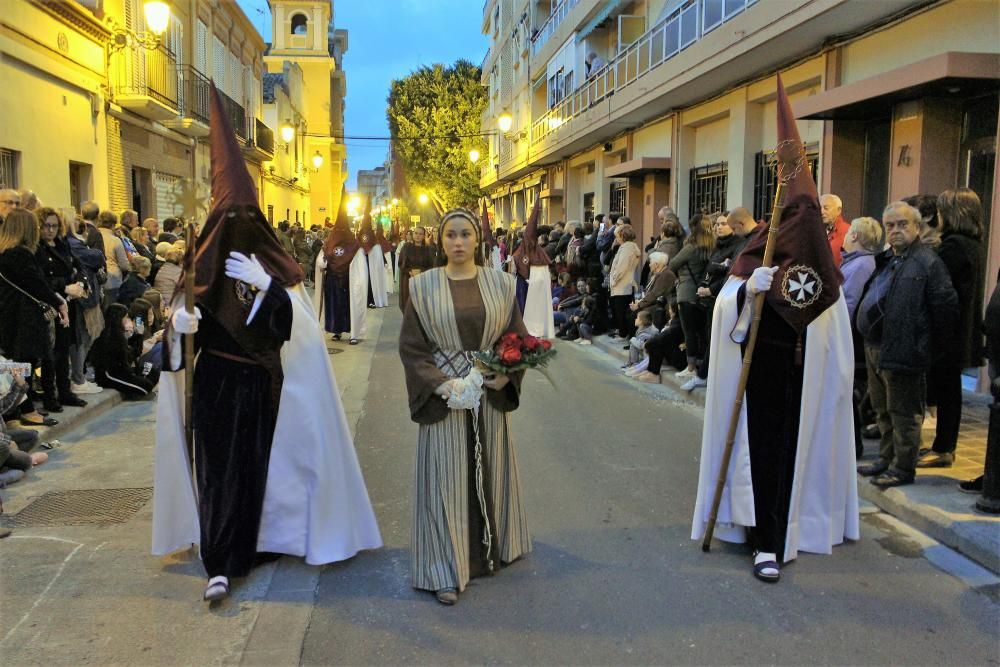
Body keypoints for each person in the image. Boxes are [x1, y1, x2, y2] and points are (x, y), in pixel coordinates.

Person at [153, 86, 381, 602]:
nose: (237, 230)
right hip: (214, 381)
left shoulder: (277, 270)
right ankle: (219, 560)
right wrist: (181, 325)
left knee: (257, 471)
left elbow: (296, 328)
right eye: (228, 222)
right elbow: (173, 337)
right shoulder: (199, 268)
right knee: (217, 471)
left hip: (262, 384)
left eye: (246, 222)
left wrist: (268, 290)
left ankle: (254, 543)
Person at [692, 77, 859, 582]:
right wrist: (747, 291)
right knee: (760, 455)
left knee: (796, 454)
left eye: (813, 215)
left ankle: (796, 526)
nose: (803, 223)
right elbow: (724, 311)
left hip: (805, 380)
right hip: (760, 374)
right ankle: (763, 538)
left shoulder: (824, 274)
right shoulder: (754, 252)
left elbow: (836, 334)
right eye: (795, 213)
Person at [398, 207, 532, 605]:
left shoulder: (501, 284)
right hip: (446, 397)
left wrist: (507, 374)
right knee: (445, 476)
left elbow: (516, 338)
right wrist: (442, 385)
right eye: (451, 235)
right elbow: (412, 348)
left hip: (487, 392)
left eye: (465, 235)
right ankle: (442, 566)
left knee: (491, 467)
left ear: (478, 240)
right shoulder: (422, 289)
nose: (458, 242)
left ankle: (496, 546)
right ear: (441, 241)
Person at [856, 201, 959, 487]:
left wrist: (926, 348)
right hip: (877, 347)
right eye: (890, 225)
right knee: (883, 411)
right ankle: (886, 459)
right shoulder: (891, 258)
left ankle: (903, 468)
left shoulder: (927, 262)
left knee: (904, 414)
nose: (896, 230)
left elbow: (946, 308)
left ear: (916, 227)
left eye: (903, 224)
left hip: (905, 349)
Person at [917, 188, 986, 469]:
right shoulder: (973, 244)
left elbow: (939, 290)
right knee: (949, 390)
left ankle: (944, 447)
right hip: (960, 331)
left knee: (946, 391)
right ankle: (943, 446)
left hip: (947, 334)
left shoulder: (953, 246)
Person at [0, 209, 68, 426]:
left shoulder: (4, 252)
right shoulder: (20, 254)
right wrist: (59, 302)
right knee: (23, 363)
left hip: (9, 314)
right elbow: (37, 283)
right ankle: (22, 410)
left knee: (15, 363)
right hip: (23, 317)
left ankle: (18, 410)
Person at [35, 207, 88, 410]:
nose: (50, 230)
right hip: (50, 303)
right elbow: (40, 279)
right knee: (50, 353)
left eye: (54, 226)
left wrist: (81, 284)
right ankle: (50, 396)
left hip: (69, 302)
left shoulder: (62, 244)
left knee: (64, 349)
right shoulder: (37, 248)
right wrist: (64, 286)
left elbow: (78, 265)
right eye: (46, 226)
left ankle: (65, 392)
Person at [314, 192, 368, 345]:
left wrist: (358, 280)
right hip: (332, 282)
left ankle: (353, 333)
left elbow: (359, 267)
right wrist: (324, 261)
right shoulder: (328, 245)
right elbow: (320, 262)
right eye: (338, 231)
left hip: (349, 282)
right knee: (335, 307)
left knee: (351, 307)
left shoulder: (354, 246)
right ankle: (336, 331)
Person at [669, 214, 713, 377]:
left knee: (689, 332)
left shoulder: (691, 247)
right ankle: (702, 364)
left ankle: (691, 367)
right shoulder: (711, 248)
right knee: (701, 331)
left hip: (686, 292)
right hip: (703, 295)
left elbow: (673, 264)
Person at [89, 303, 154, 399]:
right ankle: (133, 392)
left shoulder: (120, 334)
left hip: (122, 371)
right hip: (110, 375)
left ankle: (134, 389)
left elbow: (131, 355)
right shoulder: (110, 337)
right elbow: (126, 361)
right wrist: (135, 377)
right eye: (126, 317)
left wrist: (138, 335)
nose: (128, 320)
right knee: (146, 386)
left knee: (153, 371)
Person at [511, 199, 555, 337]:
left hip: (530, 286)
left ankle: (534, 329)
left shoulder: (536, 253)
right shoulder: (522, 250)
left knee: (534, 308)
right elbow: (514, 267)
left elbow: (542, 274)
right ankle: (525, 329)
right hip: (522, 284)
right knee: (523, 307)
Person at [608, 224, 641, 341]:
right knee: (622, 310)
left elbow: (621, 267)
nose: (616, 239)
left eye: (617, 236)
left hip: (622, 284)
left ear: (623, 236)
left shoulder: (627, 248)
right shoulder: (629, 247)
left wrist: (613, 280)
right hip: (625, 283)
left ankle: (623, 333)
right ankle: (624, 333)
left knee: (621, 310)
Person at [97, 210, 130, 305]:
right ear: (114, 224)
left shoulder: (92, 236)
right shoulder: (115, 240)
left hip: (98, 279)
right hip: (112, 281)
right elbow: (124, 265)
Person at [398, 226, 433, 312]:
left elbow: (432, 266)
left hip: (422, 282)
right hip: (408, 281)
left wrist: (421, 272)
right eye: (416, 233)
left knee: (421, 308)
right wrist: (409, 271)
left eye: (420, 234)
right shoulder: (406, 248)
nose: (418, 235)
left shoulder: (428, 250)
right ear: (413, 234)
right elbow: (400, 264)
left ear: (424, 236)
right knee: (408, 307)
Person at [820, 194, 849, 268]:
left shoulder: (848, 232)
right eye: (819, 208)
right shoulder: (817, 231)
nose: (821, 212)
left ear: (838, 210)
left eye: (826, 208)